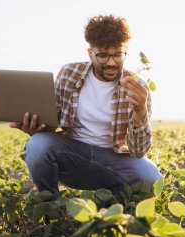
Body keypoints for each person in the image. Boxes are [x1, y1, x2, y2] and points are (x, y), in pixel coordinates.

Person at [9, 15, 161, 194]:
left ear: (124, 51)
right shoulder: (69, 73)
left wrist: (140, 111)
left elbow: (138, 151)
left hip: (112, 157)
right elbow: (52, 123)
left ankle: (113, 205)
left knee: (152, 178)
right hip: (72, 152)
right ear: (90, 54)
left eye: (118, 55)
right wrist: (36, 128)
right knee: (37, 144)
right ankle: (50, 206)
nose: (111, 63)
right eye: (103, 56)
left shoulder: (138, 87)